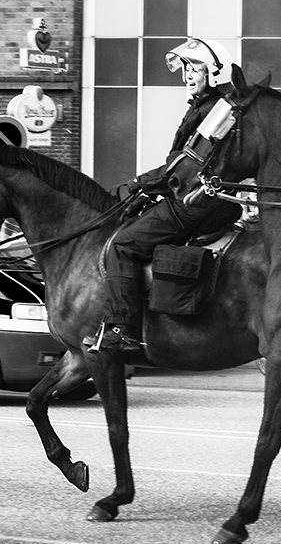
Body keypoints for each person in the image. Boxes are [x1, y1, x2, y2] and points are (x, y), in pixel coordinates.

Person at [85, 37, 242, 353]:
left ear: (214, 74)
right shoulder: (207, 108)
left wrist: (138, 183)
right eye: (185, 69)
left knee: (122, 246)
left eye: (194, 69)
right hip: (199, 199)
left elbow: (183, 166)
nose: (187, 75)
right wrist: (147, 190)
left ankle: (122, 330)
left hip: (193, 202)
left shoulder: (212, 112)